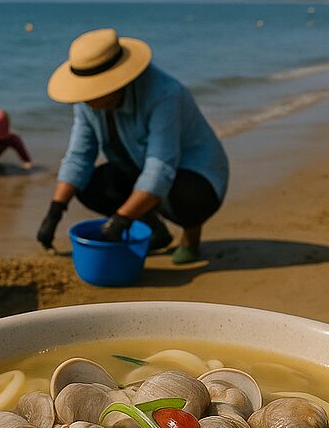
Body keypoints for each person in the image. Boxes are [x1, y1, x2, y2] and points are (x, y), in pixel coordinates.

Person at [36, 28, 228, 264]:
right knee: (88, 186)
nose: (85, 100)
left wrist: (120, 220)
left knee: (182, 197)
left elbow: (161, 167)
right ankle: (154, 231)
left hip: (197, 175)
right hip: (137, 163)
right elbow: (79, 156)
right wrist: (55, 212)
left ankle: (191, 232)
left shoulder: (165, 94)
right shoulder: (87, 103)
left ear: (113, 84)